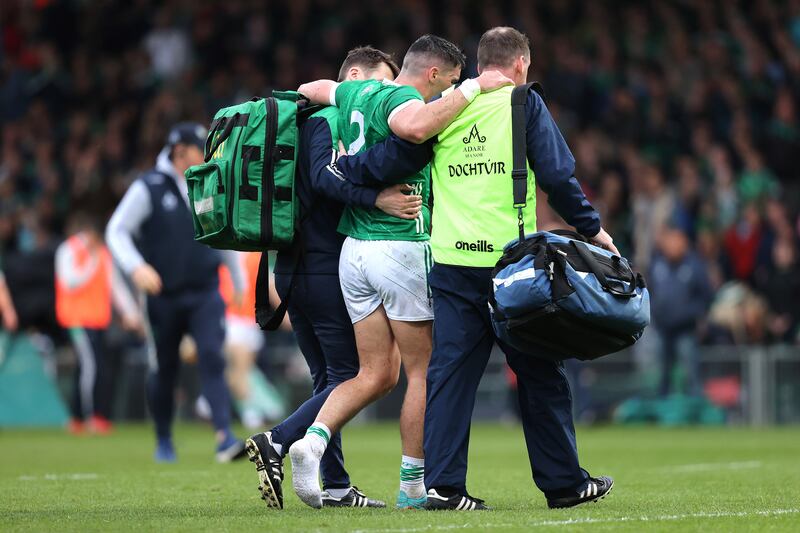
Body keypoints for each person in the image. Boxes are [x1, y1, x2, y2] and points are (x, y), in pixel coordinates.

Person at [288, 35, 512, 509]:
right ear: (434, 75)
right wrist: (471, 90)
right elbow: (413, 127)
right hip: (399, 245)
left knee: (373, 372)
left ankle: (313, 440)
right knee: (423, 370)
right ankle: (413, 484)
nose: (445, 95)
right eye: (447, 83)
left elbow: (311, 88)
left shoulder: (353, 92)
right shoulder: (404, 97)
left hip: (353, 252)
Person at [420, 27, 616, 510]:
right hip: (511, 270)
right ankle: (565, 485)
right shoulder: (524, 103)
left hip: (450, 263)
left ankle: (444, 487)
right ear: (522, 64)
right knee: (541, 373)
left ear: (478, 64)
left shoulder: (448, 105)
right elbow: (556, 177)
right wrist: (593, 230)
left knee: (448, 376)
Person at [245, 46, 431, 510]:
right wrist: (377, 200)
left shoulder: (297, 121)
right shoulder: (327, 120)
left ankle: (335, 484)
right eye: (379, 83)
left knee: (328, 377)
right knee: (355, 375)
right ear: (353, 75)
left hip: (293, 265)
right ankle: (279, 440)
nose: (380, 95)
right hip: (324, 264)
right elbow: (326, 179)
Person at [106, 123, 246, 463]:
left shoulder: (208, 181)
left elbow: (222, 231)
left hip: (205, 291)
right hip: (163, 296)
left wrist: (239, 280)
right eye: (200, 148)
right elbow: (117, 230)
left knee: (213, 356)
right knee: (165, 368)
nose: (207, 154)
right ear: (180, 150)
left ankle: (225, 436)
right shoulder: (148, 187)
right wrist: (136, 267)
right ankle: (164, 439)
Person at [55, 213, 141, 434]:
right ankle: (91, 416)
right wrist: (92, 261)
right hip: (76, 320)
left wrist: (131, 313)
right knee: (92, 366)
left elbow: (115, 287)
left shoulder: (102, 254)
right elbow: (70, 282)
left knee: (86, 366)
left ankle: (77, 418)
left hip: (96, 321)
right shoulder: (68, 250)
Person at [649, 225, 713, 397]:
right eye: (669, 241)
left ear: (684, 243)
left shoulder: (694, 265)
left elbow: (706, 295)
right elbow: (650, 292)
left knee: (691, 372)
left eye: (676, 241)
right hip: (662, 329)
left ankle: (695, 411)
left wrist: (692, 313)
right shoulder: (657, 264)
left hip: (686, 330)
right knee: (662, 374)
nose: (672, 245)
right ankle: (662, 412)